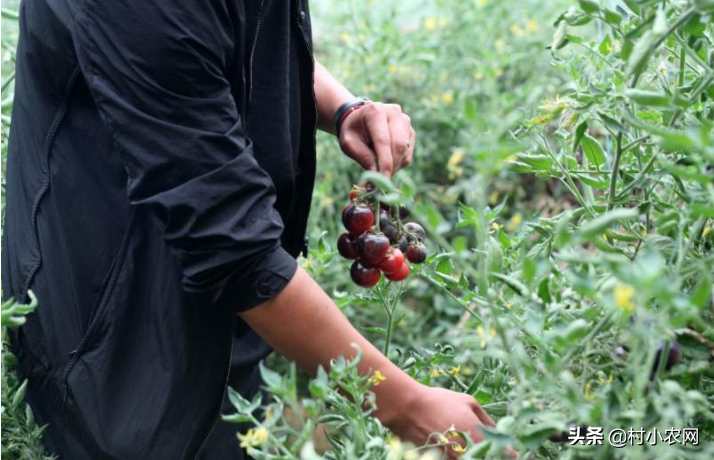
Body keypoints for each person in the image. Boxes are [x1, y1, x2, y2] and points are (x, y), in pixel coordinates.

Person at [2, 0, 496, 458]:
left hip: (228, 306)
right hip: (113, 340)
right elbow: (232, 249)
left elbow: (229, 42)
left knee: (234, 425)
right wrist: (406, 405)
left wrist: (345, 108)